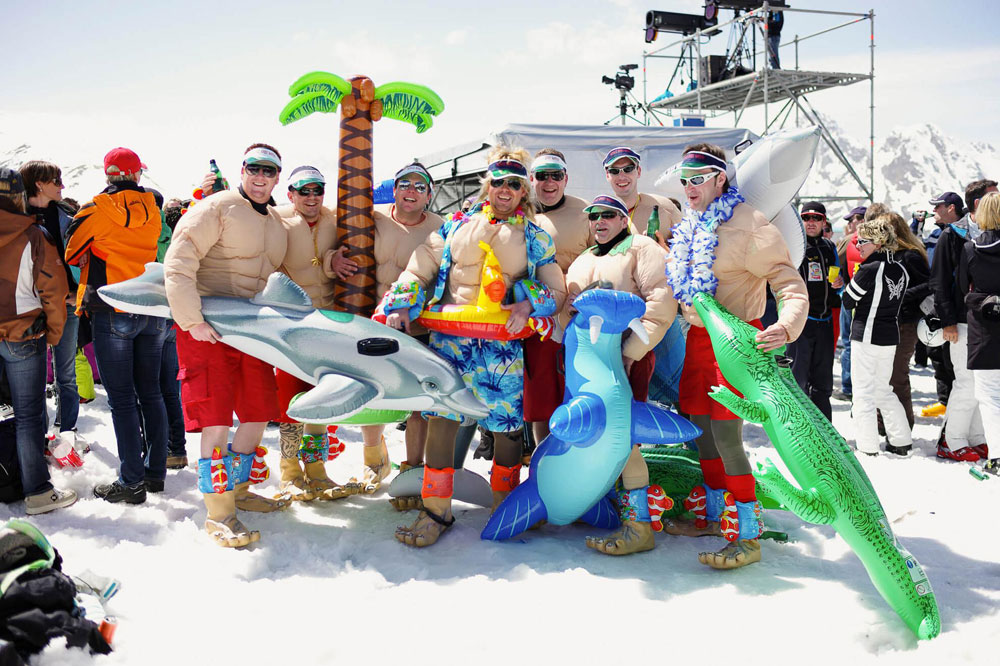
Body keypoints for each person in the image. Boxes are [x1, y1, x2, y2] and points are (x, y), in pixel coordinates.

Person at [382, 147, 565, 548]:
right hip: (452, 342)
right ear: (488, 184)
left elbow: (557, 289)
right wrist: (397, 306)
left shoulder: (535, 237)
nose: (505, 189)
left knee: (507, 429)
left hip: (500, 348)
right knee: (443, 420)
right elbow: (420, 267)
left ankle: (504, 505)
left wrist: (527, 303)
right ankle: (436, 510)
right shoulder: (455, 225)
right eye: (498, 181)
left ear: (524, 191)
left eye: (514, 183)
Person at [661, 144, 808, 569]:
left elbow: (790, 284)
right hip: (700, 340)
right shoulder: (691, 223)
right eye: (684, 180)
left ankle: (747, 535)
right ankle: (711, 515)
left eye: (698, 178)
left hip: (740, 343)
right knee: (702, 431)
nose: (689, 187)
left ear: (720, 179)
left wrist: (785, 327)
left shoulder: (750, 225)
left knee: (727, 437)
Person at [164, 144, 290, 548]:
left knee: (257, 412)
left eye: (269, 171)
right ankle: (219, 512)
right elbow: (178, 262)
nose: (260, 176)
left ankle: (238, 490)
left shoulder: (275, 220)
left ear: (276, 177)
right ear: (243, 170)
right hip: (207, 328)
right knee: (215, 417)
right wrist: (191, 320)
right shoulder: (215, 207)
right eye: (254, 168)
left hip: (250, 330)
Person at [560, 194, 675, 555]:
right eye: (593, 216)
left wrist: (630, 355)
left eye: (609, 215)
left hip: (628, 357)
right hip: (590, 364)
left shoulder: (642, 249)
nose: (600, 221)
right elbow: (568, 309)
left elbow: (661, 301)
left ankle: (638, 524)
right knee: (595, 434)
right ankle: (607, 508)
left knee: (625, 438)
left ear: (624, 219)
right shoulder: (581, 260)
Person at [65, 148, 169, 504]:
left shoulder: (93, 210)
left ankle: (131, 482)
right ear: (138, 174)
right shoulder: (154, 209)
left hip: (113, 308)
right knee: (151, 393)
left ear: (107, 174)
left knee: (123, 400)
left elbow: (71, 251)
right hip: (151, 305)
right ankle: (155, 474)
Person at [340, 162, 445, 496]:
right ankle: (374, 461)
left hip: (418, 326)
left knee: (419, 402)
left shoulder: (441, 229)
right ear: (395, 188)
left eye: (419, 186)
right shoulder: (371, 218)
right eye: (404, 184)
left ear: (429, 194)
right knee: (372, 391)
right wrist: (332, 259)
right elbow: (332, 240)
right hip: (372, 320)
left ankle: (413, 468)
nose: (410, 191)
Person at [271, 165, 351, 502]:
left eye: (317, 189)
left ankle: (316, 471)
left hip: (329, 321)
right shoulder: (276, 220)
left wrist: (333, 258)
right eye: (303, 190)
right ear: (290, 193)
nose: (312, 196)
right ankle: (290, 473)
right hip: (291, 325)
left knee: (322, 396)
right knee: (290, 399)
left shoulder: (336, 218)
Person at [0, 167, 76, 515]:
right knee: (29, 416)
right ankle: (37, 491)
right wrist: (55, 334)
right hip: (23, 335)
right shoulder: (33, 235)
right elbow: (54, 290)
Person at [524, 149, 593, 445]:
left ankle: (581, 455)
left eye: (556, 175)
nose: (549, 182)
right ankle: (542, 456)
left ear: (566, 179)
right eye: (542, 176)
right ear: (531, 179)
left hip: (580, 317)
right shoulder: (519, 211)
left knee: (581, 390)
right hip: (536, 318)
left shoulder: (587, 211)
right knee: (540, 393)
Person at [19, 161, 83, 448]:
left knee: (66, 375)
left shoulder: (68, 216)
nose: (62, 186)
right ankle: (40, 438)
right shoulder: (13, 217)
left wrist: (79, 291)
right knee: (32, 380)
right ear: (39, 183)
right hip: (29, 308)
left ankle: (67, 431)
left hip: (67, 304)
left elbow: (85, 260)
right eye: (57, 181)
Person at [841, 217, 911, 456]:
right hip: (890, 337)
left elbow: (848, 300)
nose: (858, 245)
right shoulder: (901, 269)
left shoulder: (869, 269)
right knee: (883, 391)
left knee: (863, 394)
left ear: (879, 243)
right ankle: (902, 441)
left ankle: (867, 446)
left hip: (867, 335)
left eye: (864, 241)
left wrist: (844, 285)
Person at [928, 190, 985, 460]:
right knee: (966, 382)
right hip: (959, 321)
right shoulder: (952, 235)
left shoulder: (988, 231)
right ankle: (951, 441)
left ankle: (975, 437)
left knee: (981, 384)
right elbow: (938, 282)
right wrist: (947, 321)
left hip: (982, 321)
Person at [786, 202, 842, 421]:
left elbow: (837, 278)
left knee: (823, 383)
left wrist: (839, 282)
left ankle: (824, 429)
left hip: (825, 322)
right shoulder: (794, 246)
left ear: (823, 222)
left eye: (815, 218)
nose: (810, 222)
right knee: (797, 381)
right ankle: (798, 429)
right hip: (802, 322)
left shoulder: (829, 247)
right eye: (806, 218)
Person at [881, 212, 931, 445]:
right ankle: (886, 425)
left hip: (905, 322)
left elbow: (927, 285)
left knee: (897, 376)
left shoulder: (910, 255)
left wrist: (898, 297)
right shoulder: (884, 254)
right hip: (884, 322)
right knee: (882, 377)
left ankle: (902, 430)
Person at [959, 191, 1000, 462]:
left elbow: (963, 288)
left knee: (989, 397)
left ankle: (997, 457)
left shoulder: (971, 248)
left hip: (984, 330)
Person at [602, 147, 680, 238]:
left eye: (628, 169)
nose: (621, 176)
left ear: (638, 171)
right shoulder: (597, 215)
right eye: (614, 171)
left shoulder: (665, 207)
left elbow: (688, 246)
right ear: (607, 175)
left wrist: (661, 247)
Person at [835, 205, 866, 401]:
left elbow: (834, 263)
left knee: (849, 343)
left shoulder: (849, 241)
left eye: (851, 220)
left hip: (851, 296)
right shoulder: (881, 240)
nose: (849, 225)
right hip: (868, 298)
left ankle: (848, 386)